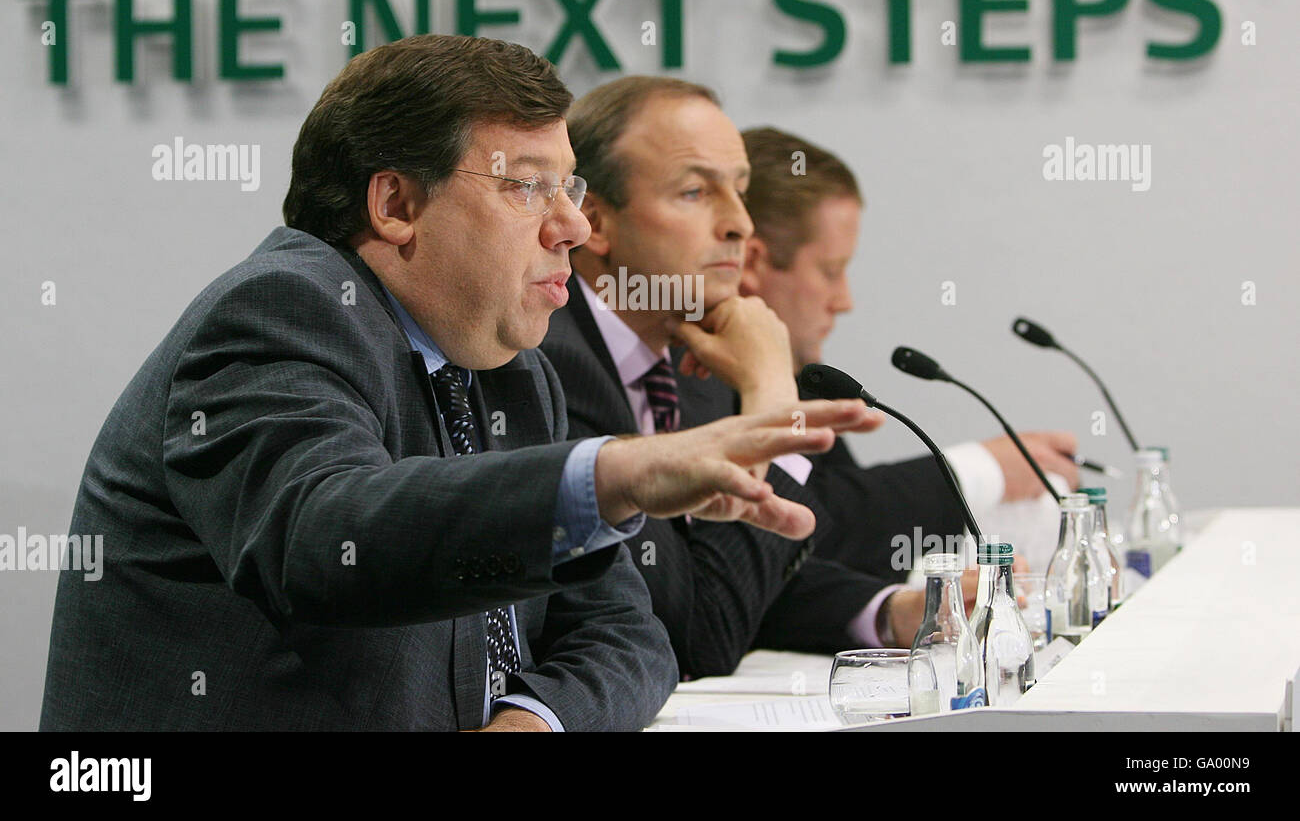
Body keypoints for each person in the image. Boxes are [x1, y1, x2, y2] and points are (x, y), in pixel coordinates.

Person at [39, 36, 872, 731]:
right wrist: (618, 473)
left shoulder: (514, 374)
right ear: (397, 202)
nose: (573, 227)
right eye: (527, 187)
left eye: (570, 186)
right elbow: (326, 538)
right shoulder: (280, 312)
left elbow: (630, 635)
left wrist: (535, 721)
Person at [543, 76, 930, 678]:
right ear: (594, 220)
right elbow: (692, 634)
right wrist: (773, 393)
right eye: (696, 191)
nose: (741, 226)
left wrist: (893, 612)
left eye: (741, 191)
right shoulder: (550, 370)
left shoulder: (695, 363)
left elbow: (733, 579)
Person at [738, 127, 1080, 577]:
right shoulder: (693, 379)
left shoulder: (801, 379)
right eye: (830, 271)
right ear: (754, 263)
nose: (844, 301)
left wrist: (909, 602)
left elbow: (829, 550)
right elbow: (812, 525)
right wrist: (981, 470)